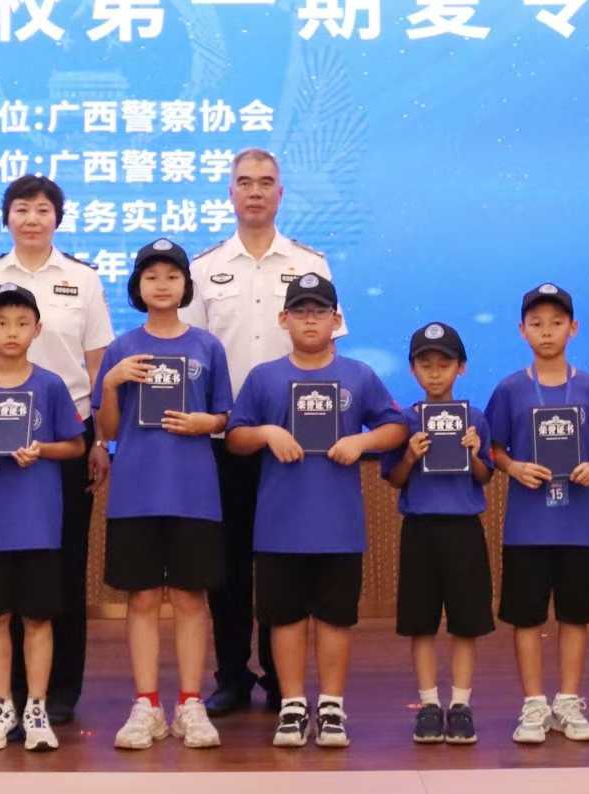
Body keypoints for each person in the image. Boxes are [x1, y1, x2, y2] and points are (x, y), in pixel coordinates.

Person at [0, 175, 112, 726]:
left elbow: (98, 366)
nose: (33, 219)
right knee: (6, 567)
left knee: (62, 564)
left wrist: (99, 440)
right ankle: (10, 693)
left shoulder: (82, 279)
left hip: (64, 438)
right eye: (21, 209)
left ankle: (56, 693)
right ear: (6, 218)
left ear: (57, 218)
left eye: (43, 209)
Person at [184, 148, 340, 716]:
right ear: (230, 192)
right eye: (244, 182)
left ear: (280, 193)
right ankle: (231, 675)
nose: (255, 191)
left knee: (280, 561)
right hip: (224, 439)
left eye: (265, 182)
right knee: (226, 566)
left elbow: (328, 349)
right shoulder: (203, 268)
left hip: (293, 444)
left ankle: (281, 678)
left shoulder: (309, 264)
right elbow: (190, 357)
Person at [225, 274, 406, 748]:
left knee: (335, 617)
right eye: (301, 311)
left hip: (338, 523)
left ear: (336, 320)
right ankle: (291, 704)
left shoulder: (358, 375)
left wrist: (362, 441)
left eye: (319, 311)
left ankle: (330, 706)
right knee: (284, 618)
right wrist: (267, 433)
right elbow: (236, 437)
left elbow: (396, 427)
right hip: (279, 524)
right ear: (283, 319)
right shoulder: (264, 377)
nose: (310, 320)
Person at [94, 239, 233, 750]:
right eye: (151, 276)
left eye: (172, 276)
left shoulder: (207, 347)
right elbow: (109, 429)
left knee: (192, 598)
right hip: (136, 491)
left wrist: (205, 423)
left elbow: (224, 416)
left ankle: (191, 702)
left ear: (186, 285)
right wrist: (111, 384)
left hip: (194, 491)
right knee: (144, 598)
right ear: (137, 286)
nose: (162, 284)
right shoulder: (122, 348)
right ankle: (147, 705)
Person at [0, 284, 86, 752]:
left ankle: (37, 709)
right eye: (2, 323)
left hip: (38, 525)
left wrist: (41, 450)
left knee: (38, 619)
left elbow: (75, 445)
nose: (12, 332)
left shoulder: (50, 385)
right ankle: (1, 706)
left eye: (22, 323)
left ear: (37, 329)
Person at [484, 284, 589, 744]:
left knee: (575, 616)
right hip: (527, 527)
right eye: (536, 323)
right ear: (522, 330)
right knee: (526, 618)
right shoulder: (510, 389)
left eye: (556, 323)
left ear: (573, 328)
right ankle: (534, 705)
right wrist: (514, 467)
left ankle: (569, 702)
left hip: (578, 526)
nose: (546, 332)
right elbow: (493, 448)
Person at [381, 322, 495, 745]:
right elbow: (394, 478)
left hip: (464, 529)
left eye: (444, 364)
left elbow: (485, 475)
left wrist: (473, 454)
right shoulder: (404, 422)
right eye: (425, 364)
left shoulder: (475, 419)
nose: (434, 373)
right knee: (421, 623)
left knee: (466, 623)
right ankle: (429, 705)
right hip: (420, 530)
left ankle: (460, 705)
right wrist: (410, 456)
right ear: (413, 370)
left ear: (461, 368)